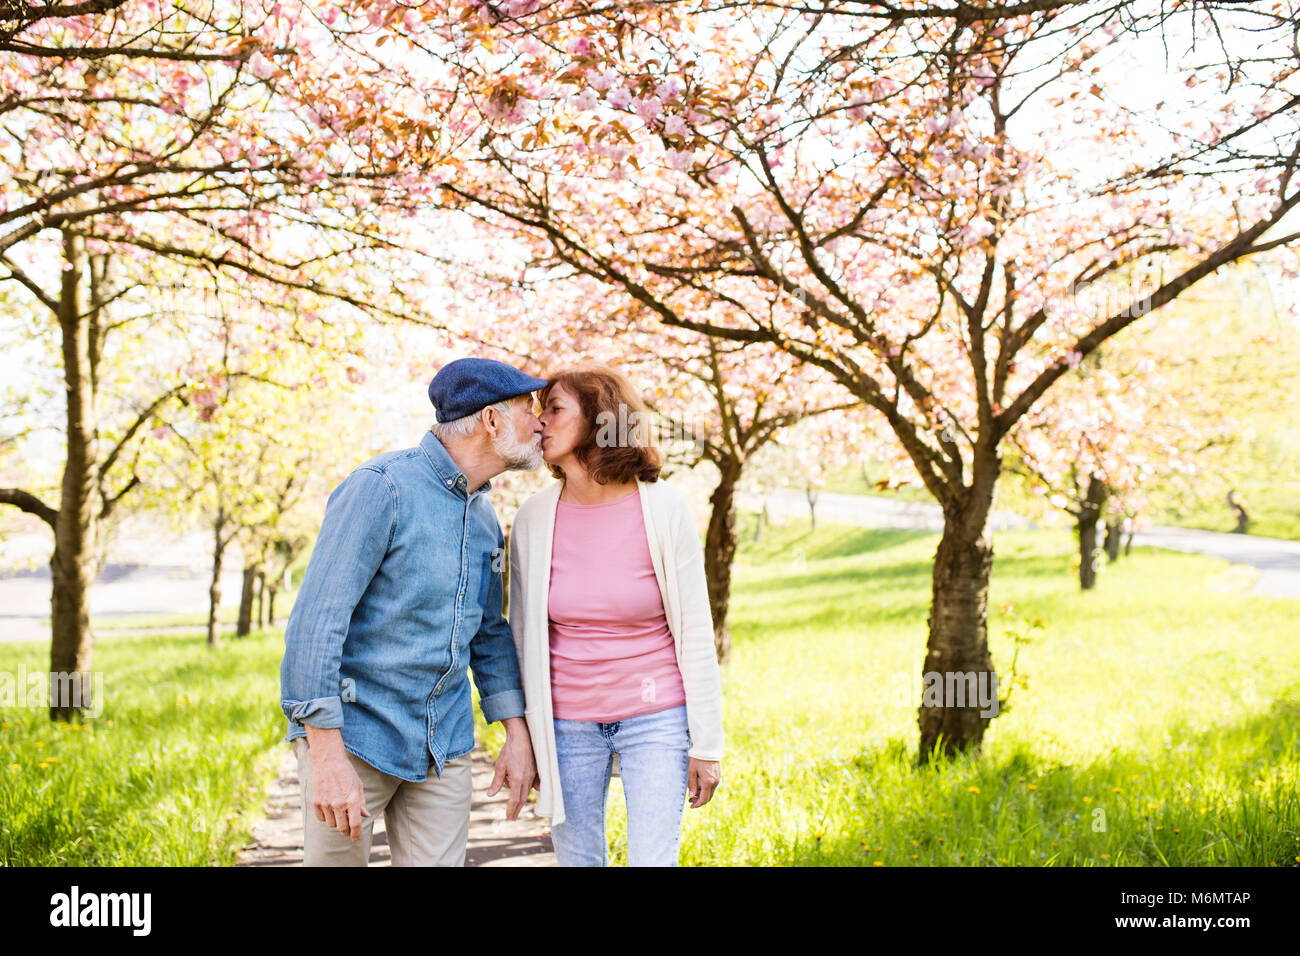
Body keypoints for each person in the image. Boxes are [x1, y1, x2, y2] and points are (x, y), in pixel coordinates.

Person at [279, 357, 545, 866]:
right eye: (527, 407)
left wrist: (516, 732)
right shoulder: (381, 488)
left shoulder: (485, 516)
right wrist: (326, 755)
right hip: (354, 736)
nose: (540, 420)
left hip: (443, 744)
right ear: (491, 421)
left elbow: (488, 633)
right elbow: (317, 623)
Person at [508, 364, 724, 867]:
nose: (540, 422)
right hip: (566, 724)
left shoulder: (664, 509)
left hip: (656, 717)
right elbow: (522, 638)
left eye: (555, 409)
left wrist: (708, 744)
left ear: (601, 420)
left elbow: (695, 633)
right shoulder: (533, 519)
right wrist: (525, 735)